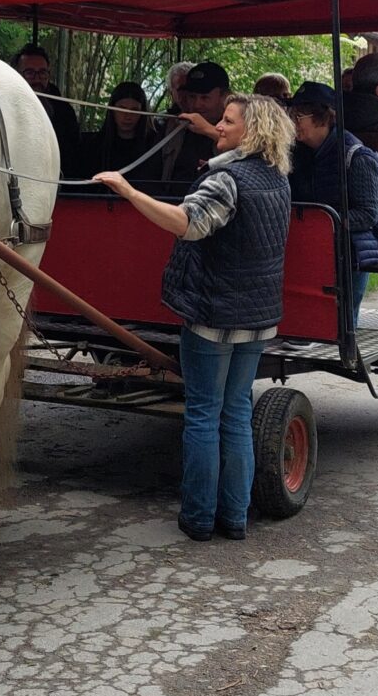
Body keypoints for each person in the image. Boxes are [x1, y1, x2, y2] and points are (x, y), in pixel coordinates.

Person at [93, 94, 294, 542]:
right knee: (236, 412)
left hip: (213, 316)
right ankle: (234, 518)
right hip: (258, 317)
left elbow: (186, 223)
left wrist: (129, 192)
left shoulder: (227, 179)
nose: (218, 126)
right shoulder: (277, 176)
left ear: (252, 131)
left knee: (204, 414)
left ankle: (200, 518)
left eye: (228, 121)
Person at [288, 81, 378, 331]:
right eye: (291, 115)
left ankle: (339, 329)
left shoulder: (356, 157)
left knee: (339, 323)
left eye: (299, 117)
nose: (293, 123)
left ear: (324, 118)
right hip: (312, 242)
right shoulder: (298, 154)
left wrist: (323, 225)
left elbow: (367, 214)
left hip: (351, 244)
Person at [14, 43, 81, 176]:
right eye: (30, 73)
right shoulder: (6, 105)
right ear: (17, 74)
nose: (37, 79)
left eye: (42, 73)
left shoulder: (63, 112)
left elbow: (73, 155)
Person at [162, 60, 229, 182]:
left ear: (224, 97)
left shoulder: (239, 126)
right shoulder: (173, 127)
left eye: (205, 98)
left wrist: (208, 130)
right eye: (192, 97)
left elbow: (250, 150)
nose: (197, 105)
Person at [79, 81, 160, 178]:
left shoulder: (154, 146)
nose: (128, 116)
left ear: (142, 113)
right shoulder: (94, 146)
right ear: (112, 109)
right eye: (122, 109)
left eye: (134, 110)